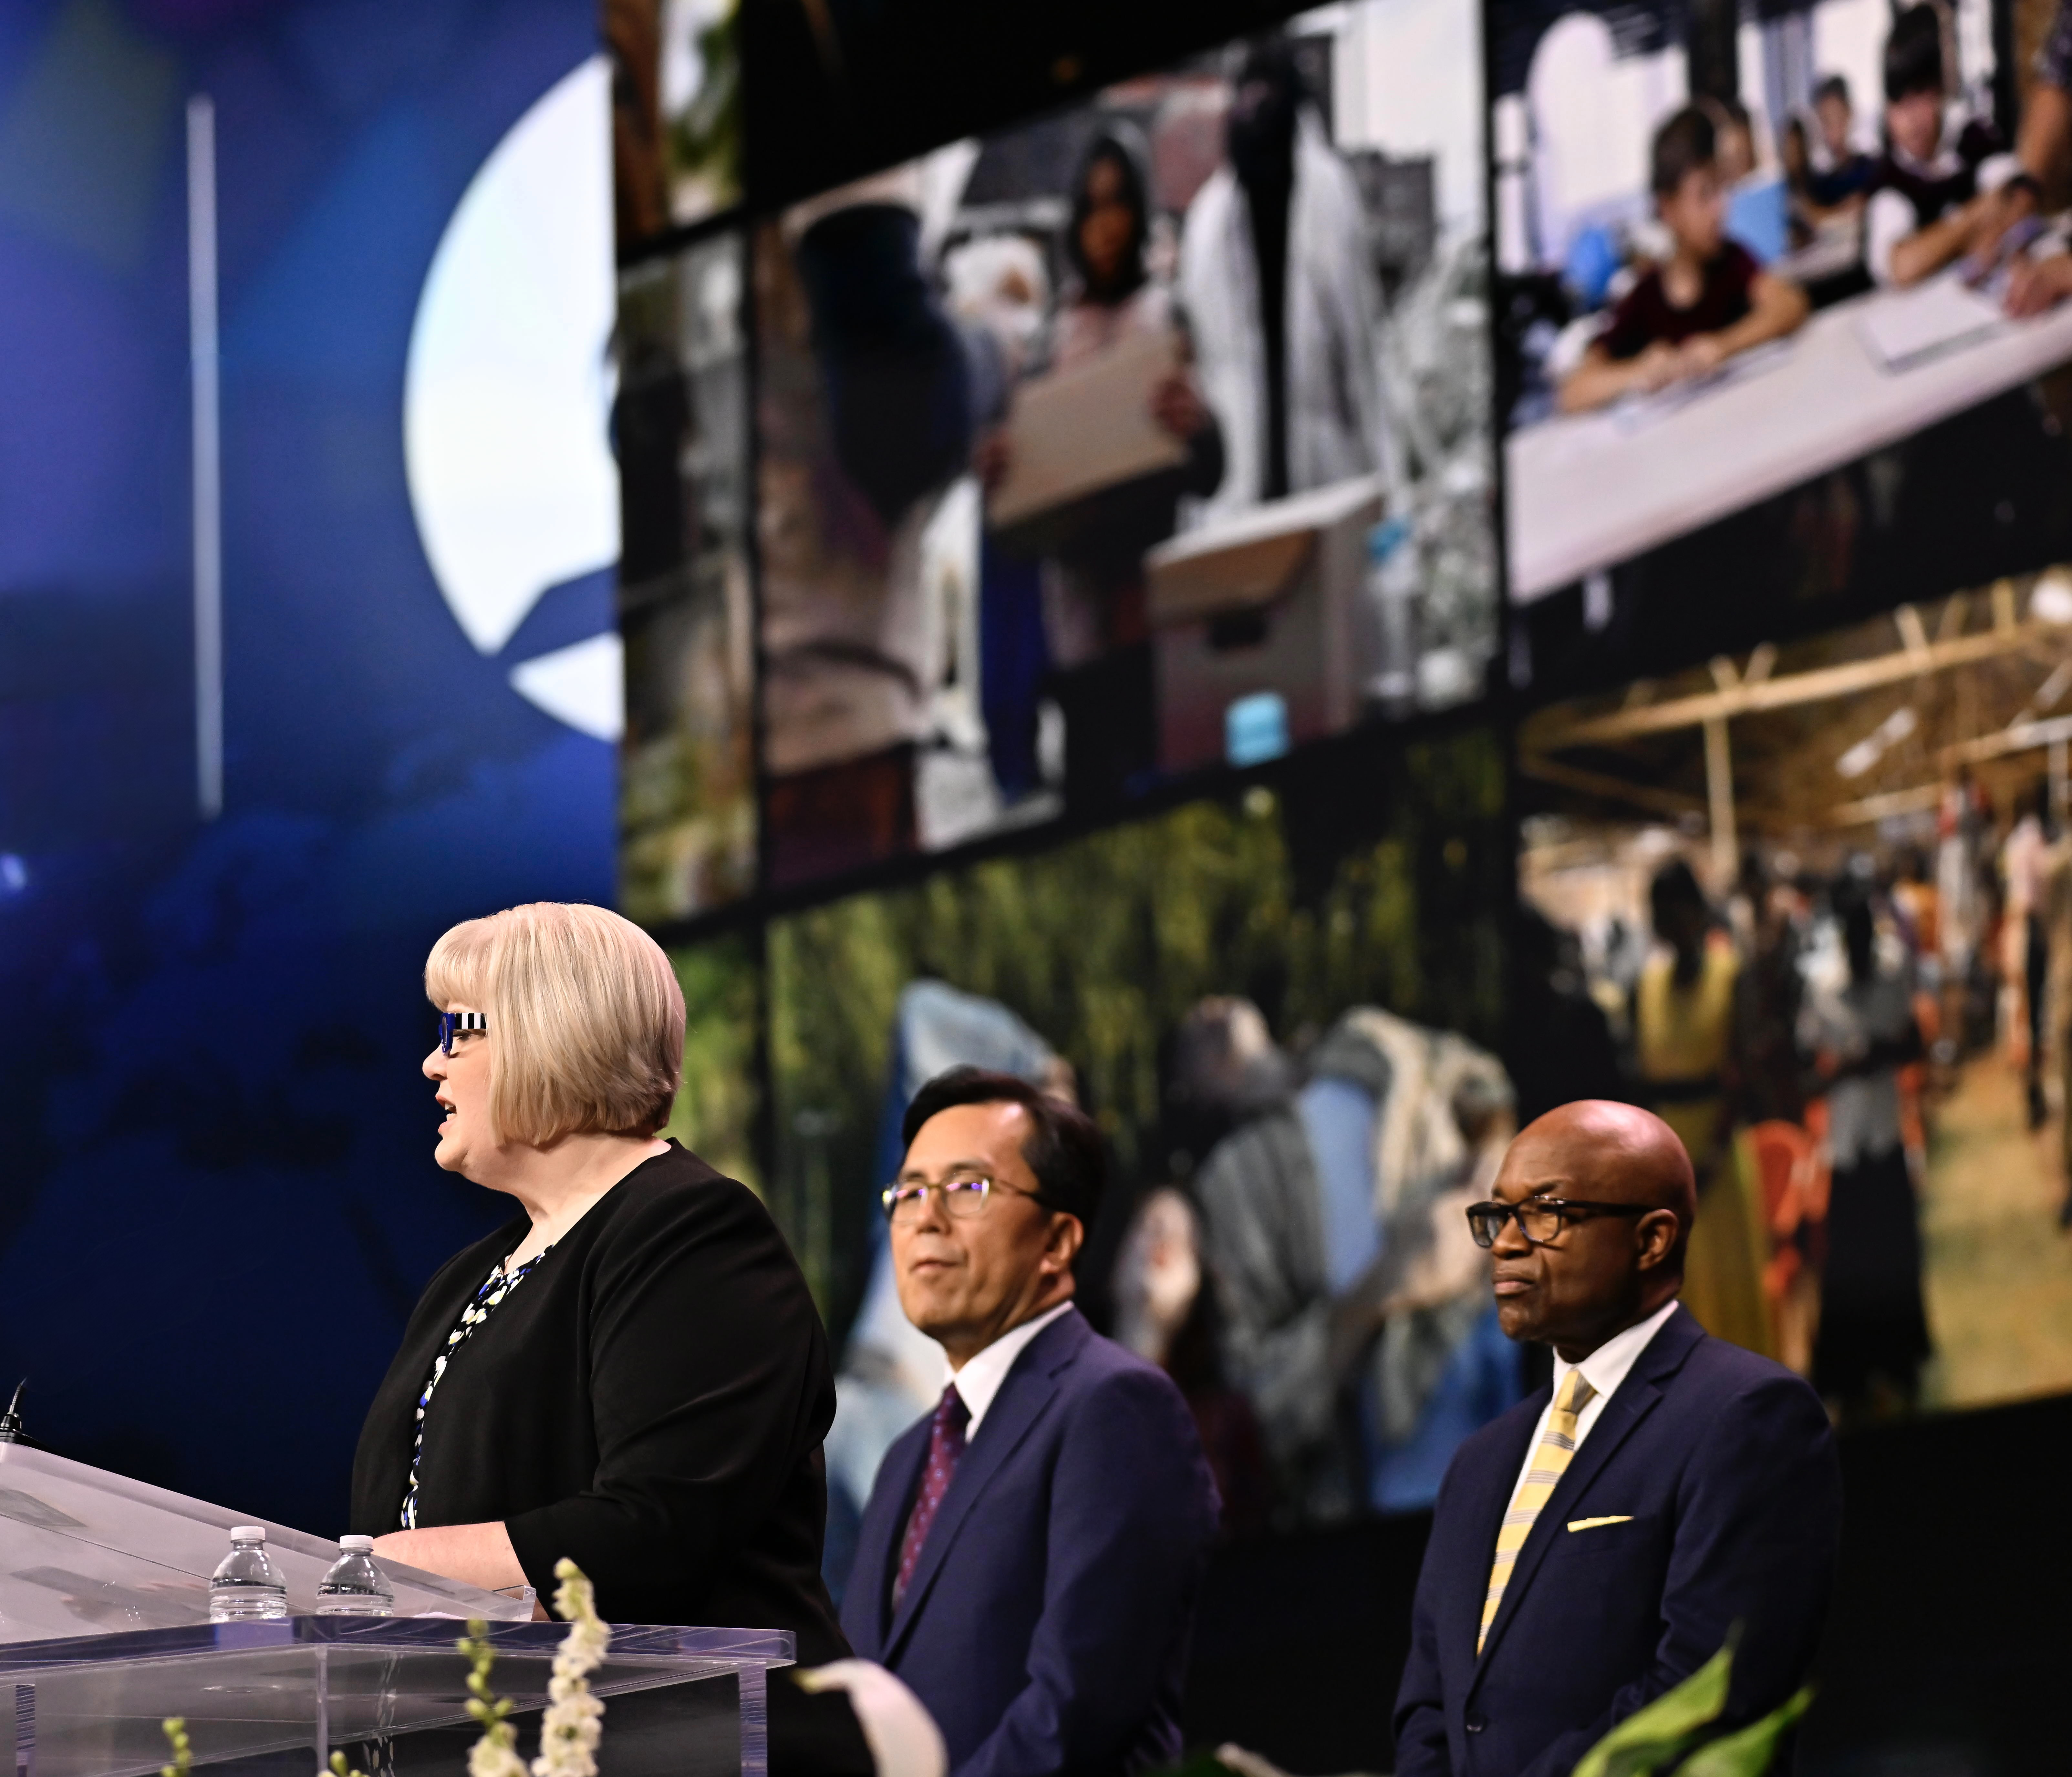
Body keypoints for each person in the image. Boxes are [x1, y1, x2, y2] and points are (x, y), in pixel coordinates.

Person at [349, 902, 866, 1773]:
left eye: (459, 1031)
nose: (433, 1062)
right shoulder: (468, 1275)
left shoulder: (693, 1232)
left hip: (693, 1747)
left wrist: (382, 1571)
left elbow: (653, 1527)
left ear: (552, 1032)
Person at [1392, 1101, 1842, 1777]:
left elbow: (1701, 1694)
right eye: (1498, 1215)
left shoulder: (1747, 1414)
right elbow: (1430, 1705)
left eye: (1544, 1213)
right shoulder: (1479, 1461)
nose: (1506, 1242)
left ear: (1651, 1239)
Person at [841, 1067, 1220, 1777]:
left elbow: (1077, 1708)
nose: (926, 1218)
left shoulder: (1116, 1407)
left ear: (1058, 1242)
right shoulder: (905, 1458)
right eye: (910, 1191)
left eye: (967, 1187)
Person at [993, 126, 1224, 809]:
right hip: (1079, 633)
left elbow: (1211, 470)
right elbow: (1018, 518)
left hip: (1159, 625)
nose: (1106, 225)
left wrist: (1199, 427)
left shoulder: (1166, 317)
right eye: (1092, 207)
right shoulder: (1050, 343)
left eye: (1119, 202)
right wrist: (1003, 471)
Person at [1177, 39, 1387, 519]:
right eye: (1247, 92)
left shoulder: (1329, 193)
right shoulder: (1209, 222)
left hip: (1327, 457)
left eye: (1267, 90)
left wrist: (1381, 476)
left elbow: (1361, 352)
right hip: (1242, 473)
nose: (1256, 106)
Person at [1560, 106, 1808, 415]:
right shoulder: (1645, 298)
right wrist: (1640, 371)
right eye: (1704, 195)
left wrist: (1723, 345)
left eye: (1721, 190)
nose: (1720, 208)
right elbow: (1573, 392)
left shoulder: (1732, 262)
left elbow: (1790, 305)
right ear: (1668, 209)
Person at [1798, 882, 1932, 1414]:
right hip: (1847, 1141)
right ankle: (1852, 1374)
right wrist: (1846, 1068)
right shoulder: (1821, 983)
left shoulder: (1895, 968)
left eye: (1865, 937)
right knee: (1850, 1264)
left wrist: (1880, 1053)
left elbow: (1913, 1042)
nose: (1860, 948)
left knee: (1895, 1255)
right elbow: (1809, 1071)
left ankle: (1900, 1362)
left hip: (1885, 1132)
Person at [1633, 860, 1774, 1358]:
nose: (1672, 923)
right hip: (1667, 1162)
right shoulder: (1646, 987)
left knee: (1731, 1288)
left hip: (1718, 1159)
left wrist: (1711, 1157)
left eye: (1679, 910)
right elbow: (1642, 1084)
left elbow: (1743, 1072)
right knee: (1682, 1291)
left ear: (1697, 911)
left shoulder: (1729, 974)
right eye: (1661, 914)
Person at [1864, 5, 2018, 289]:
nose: (1912, 119)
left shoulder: (1972, 136)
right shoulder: (1888, 181)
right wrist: (1979, 212)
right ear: (1886, 111)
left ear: (1940, 92)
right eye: (1900, 103)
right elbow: (1903, 265)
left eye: (1921, 95)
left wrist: (1939, 242)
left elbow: (2019, 195)